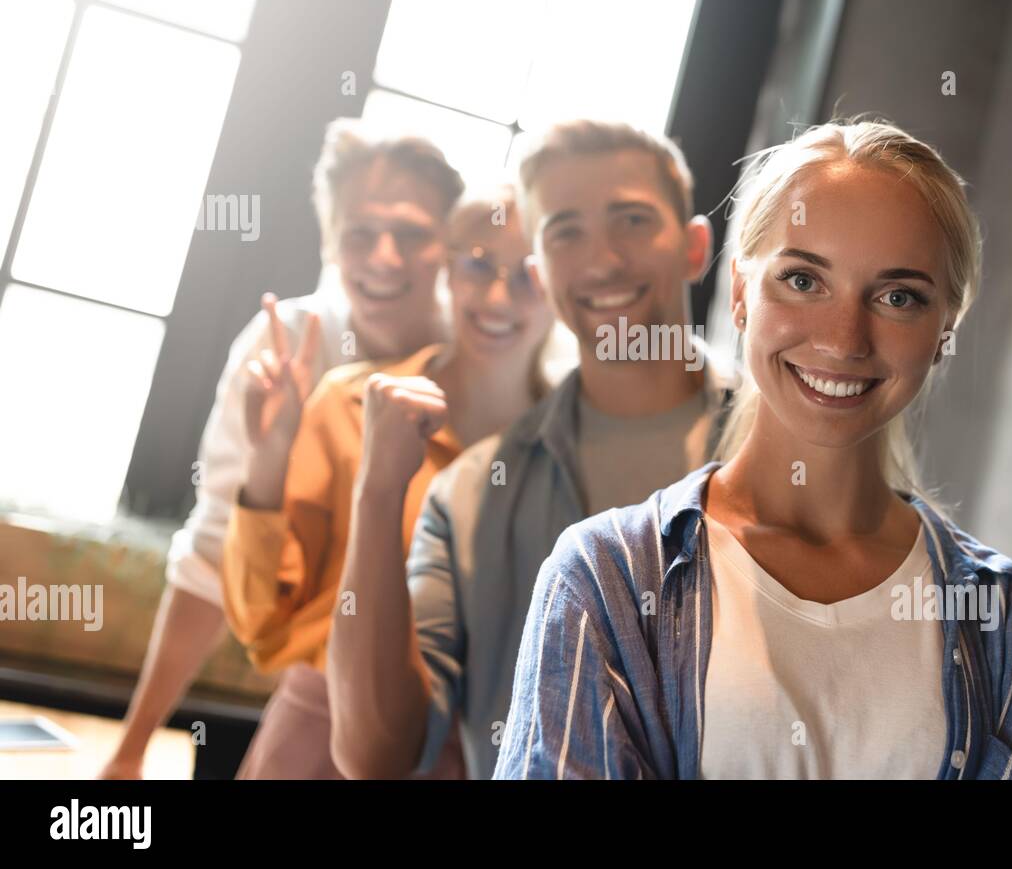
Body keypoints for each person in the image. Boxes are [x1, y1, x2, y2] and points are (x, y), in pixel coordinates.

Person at [494, 119, 1012, 779]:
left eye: (898, 297)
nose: (843, 339)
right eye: (804, 280)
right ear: (742, 292)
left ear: (945, 329)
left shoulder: (1011, 623)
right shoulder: (606, 581)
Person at [327, 120, 734, 779]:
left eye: (632, 220)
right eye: (567, 229)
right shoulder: (468, 493)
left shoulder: (786, 447)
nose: (602, 259)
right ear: (542, 276)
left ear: (693, 247)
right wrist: (377, 493)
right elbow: (376, 755)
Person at [98, 119, 463, 779]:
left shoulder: (478, 361)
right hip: (313, 697)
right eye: (359, 232)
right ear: (328, 240)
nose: (384, 256)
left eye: (411, 233)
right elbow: (212, 554)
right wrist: (131, 751)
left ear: (450, 244)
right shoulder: (284, 344)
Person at [222, 186, 554, 778]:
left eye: (529, 274)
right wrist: (269, 456)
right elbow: (258, 622)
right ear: (448, 269)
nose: (499, 295)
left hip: (478, 757)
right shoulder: (351, 402)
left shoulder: (571, 455)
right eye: (478, 264)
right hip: (314, 739)